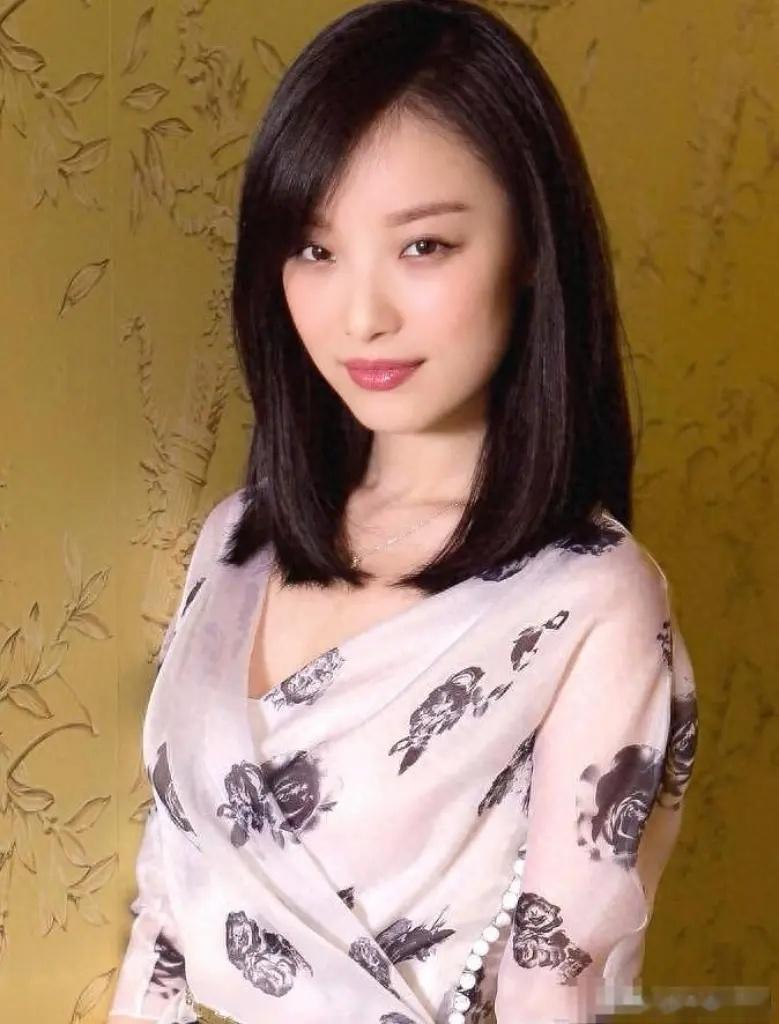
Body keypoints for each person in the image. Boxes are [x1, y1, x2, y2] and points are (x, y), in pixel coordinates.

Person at [107, 1, 699, 1022]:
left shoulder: (593, 596)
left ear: (527, 245)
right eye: (315, 250)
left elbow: (552, 979)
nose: (360, 315)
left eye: (422, 246)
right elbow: (167, 902)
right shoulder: (237, 540)